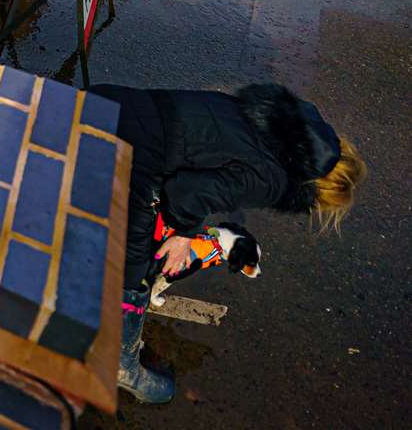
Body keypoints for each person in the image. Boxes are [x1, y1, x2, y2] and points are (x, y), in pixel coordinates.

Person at [88, 82, 365, 405]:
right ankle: (121, 365)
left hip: (110, 103)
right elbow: (184, 195)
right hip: (131, 152)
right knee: (135, 267)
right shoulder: (273, 179)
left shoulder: (262, 121)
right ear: (315, 193)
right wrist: (185, 233)